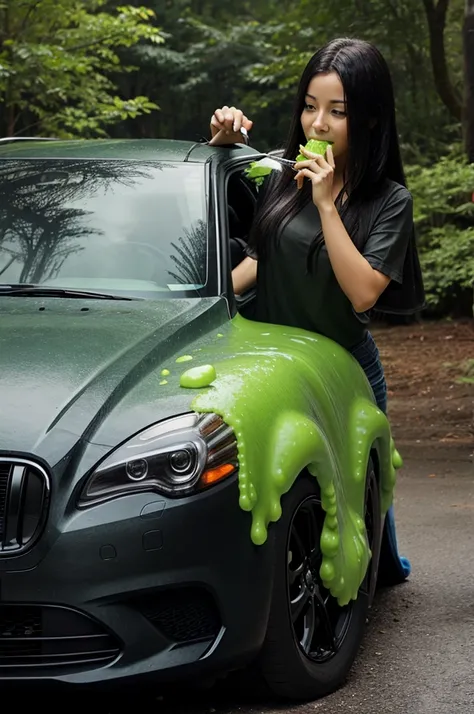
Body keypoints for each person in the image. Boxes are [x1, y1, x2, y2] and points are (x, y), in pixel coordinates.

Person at [208, 37, 425, 585]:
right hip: (271, 367)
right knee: (279, 485)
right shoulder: (281, 175)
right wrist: (223, 144)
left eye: (338, 111)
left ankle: (381, 565)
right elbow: (254, 260)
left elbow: (363, 293)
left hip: (345, 367)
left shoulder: (388, 200)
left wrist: (327, 203)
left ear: (372, 119)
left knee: (359, 485)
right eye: (310, 106)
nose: (318, 124)